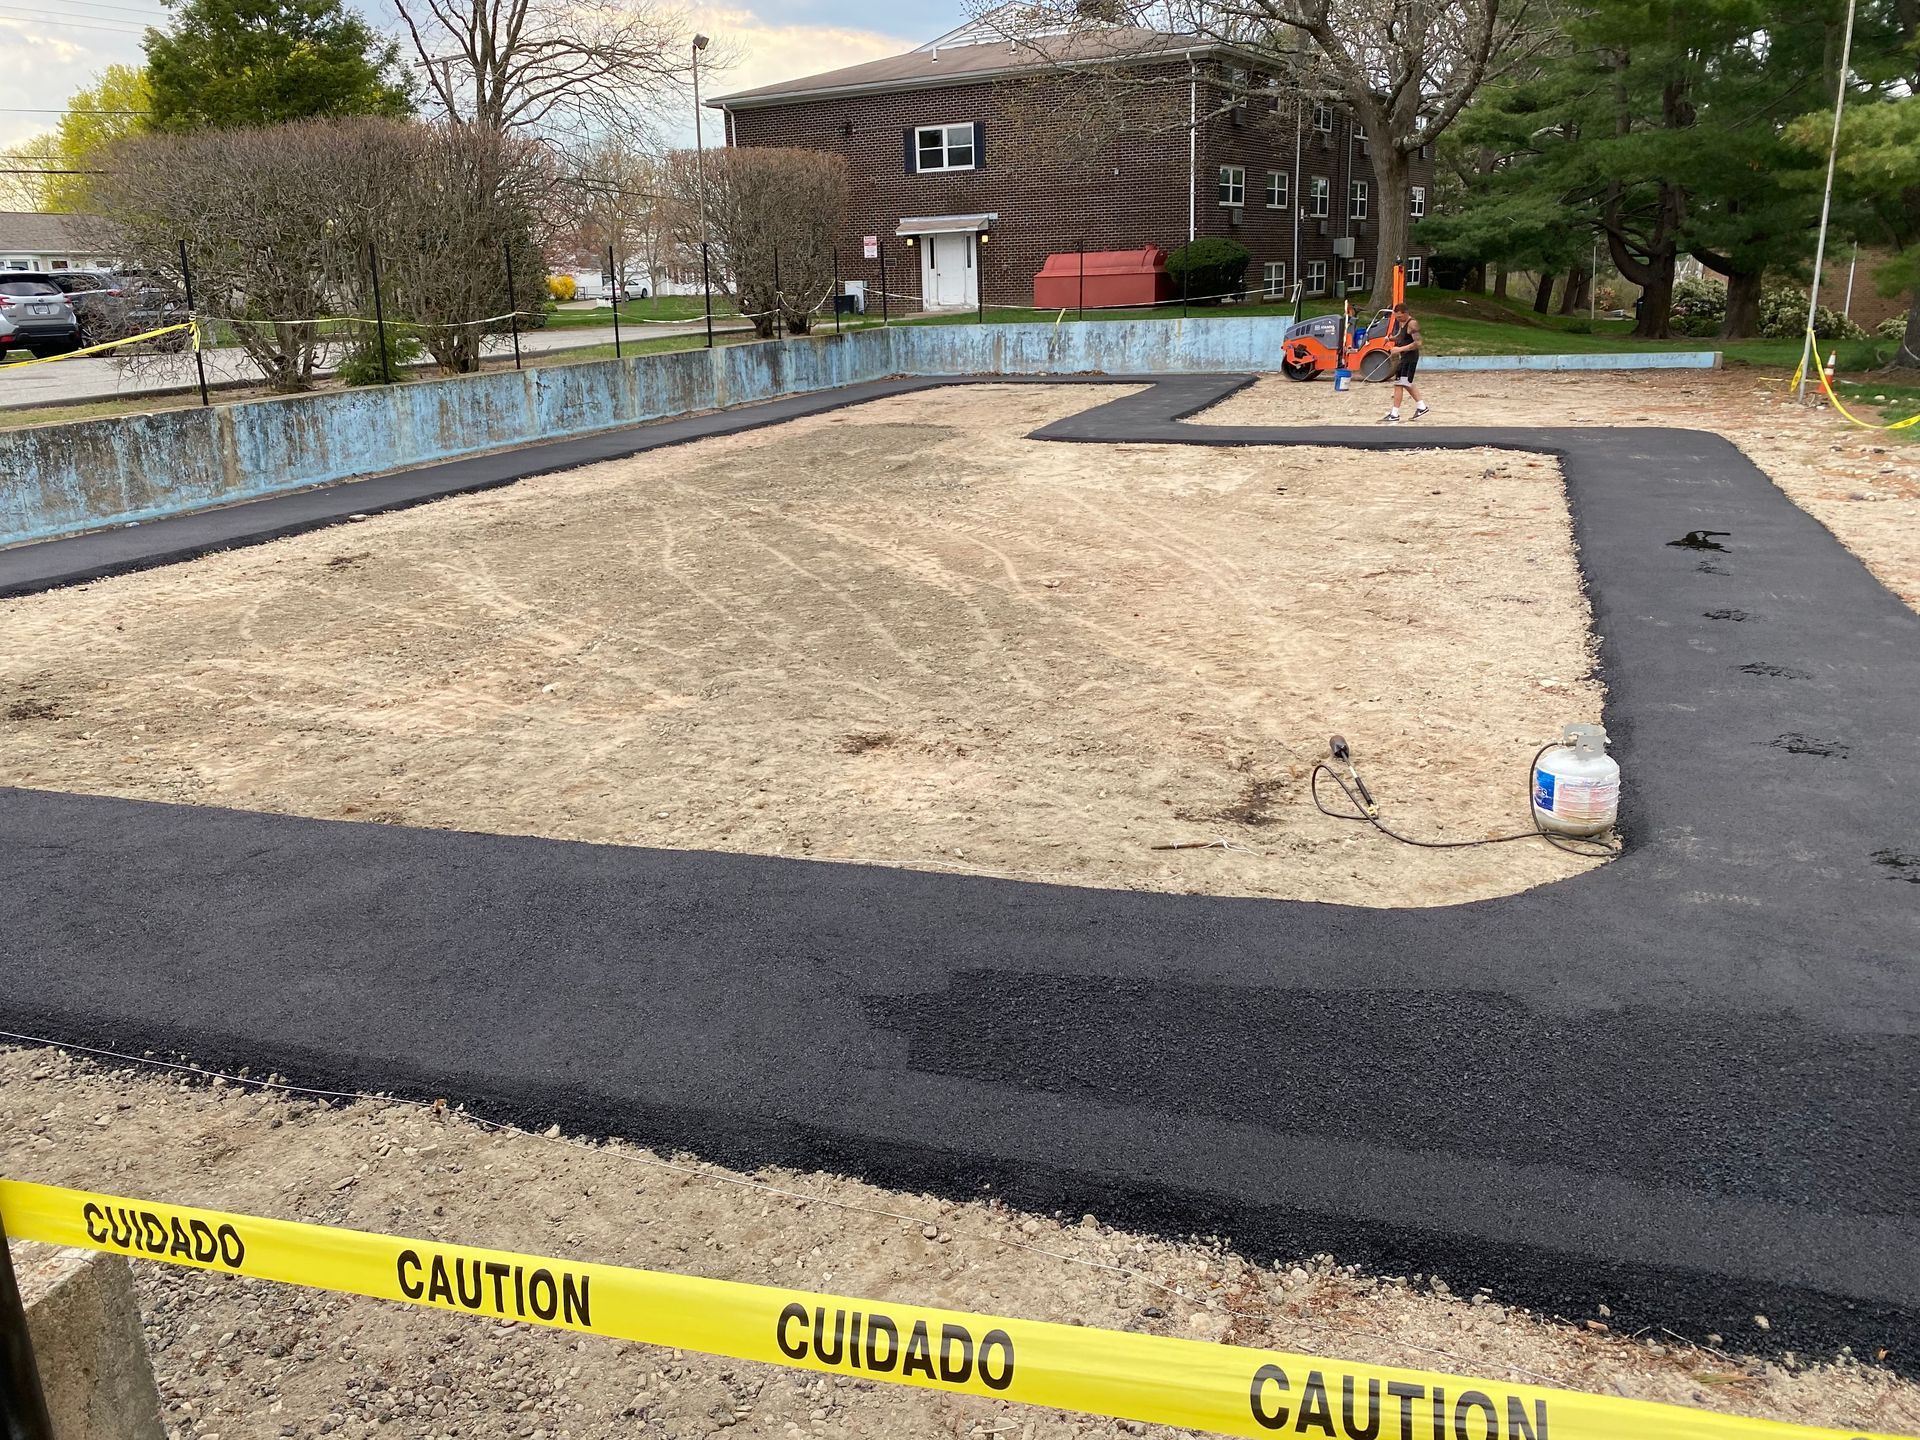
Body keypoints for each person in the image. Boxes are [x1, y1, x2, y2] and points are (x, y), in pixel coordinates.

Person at [1380, 302, 1429, 423]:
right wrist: (1390, 339)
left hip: (1410, 358)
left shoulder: (1412, 324)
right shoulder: (1402, 322)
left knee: (1398, 384)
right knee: (1406, 383)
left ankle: (1395, 413)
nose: (1398, 319)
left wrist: (1399, 349)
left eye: (1400, 317)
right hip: (1404, 357)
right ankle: (1422, 406)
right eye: (1396, 317)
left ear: (1406, 313)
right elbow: (1401, 336)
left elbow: (1418, 343)